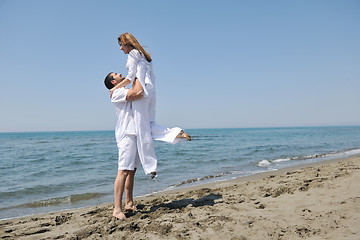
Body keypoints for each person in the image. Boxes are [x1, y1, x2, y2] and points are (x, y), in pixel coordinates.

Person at [104, 72, 190, 219]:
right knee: (123, 170)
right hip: (127, 134)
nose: (120, 74)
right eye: (116, 75)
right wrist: (137, 73)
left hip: (136, 132)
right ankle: (117, 209)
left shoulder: (122, 89)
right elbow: (138, 92)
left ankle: (129, 203)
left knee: (132, 170)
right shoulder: (116, 93)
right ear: (113, 82)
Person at [110, 33, 190, 178]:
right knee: (149, 124)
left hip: (142, 90)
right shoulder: (144, 55)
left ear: (126, 43)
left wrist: (115, 88)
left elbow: (130, 76)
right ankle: (177, 133)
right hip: (151, 90)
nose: (121, 49)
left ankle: (150, 167)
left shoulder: (133, 54)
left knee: (142, 129)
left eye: (121, 45)